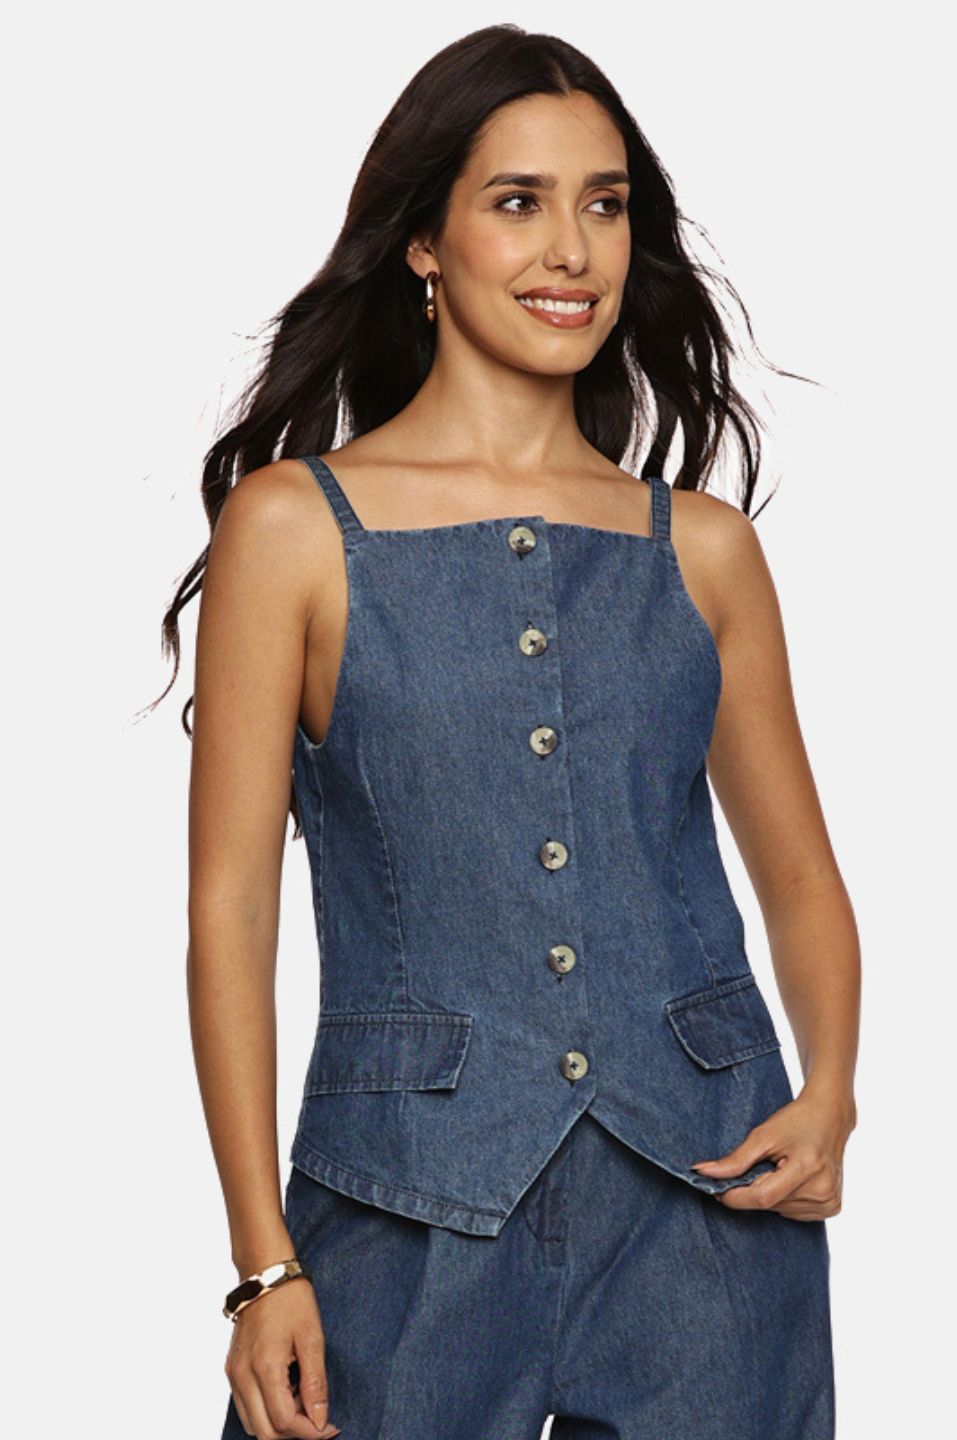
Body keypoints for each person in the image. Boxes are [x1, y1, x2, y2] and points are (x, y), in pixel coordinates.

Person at [162, 23, 860, 1440]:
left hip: (708, 1204)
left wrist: (832, 1089)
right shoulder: (293, 529)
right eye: (518, 202)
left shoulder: (702, 550)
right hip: (402, 1202)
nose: (572, 251)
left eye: (605, 204)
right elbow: (230, 908)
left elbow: (798, 878)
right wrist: (262, 1263)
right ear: (424, 241)